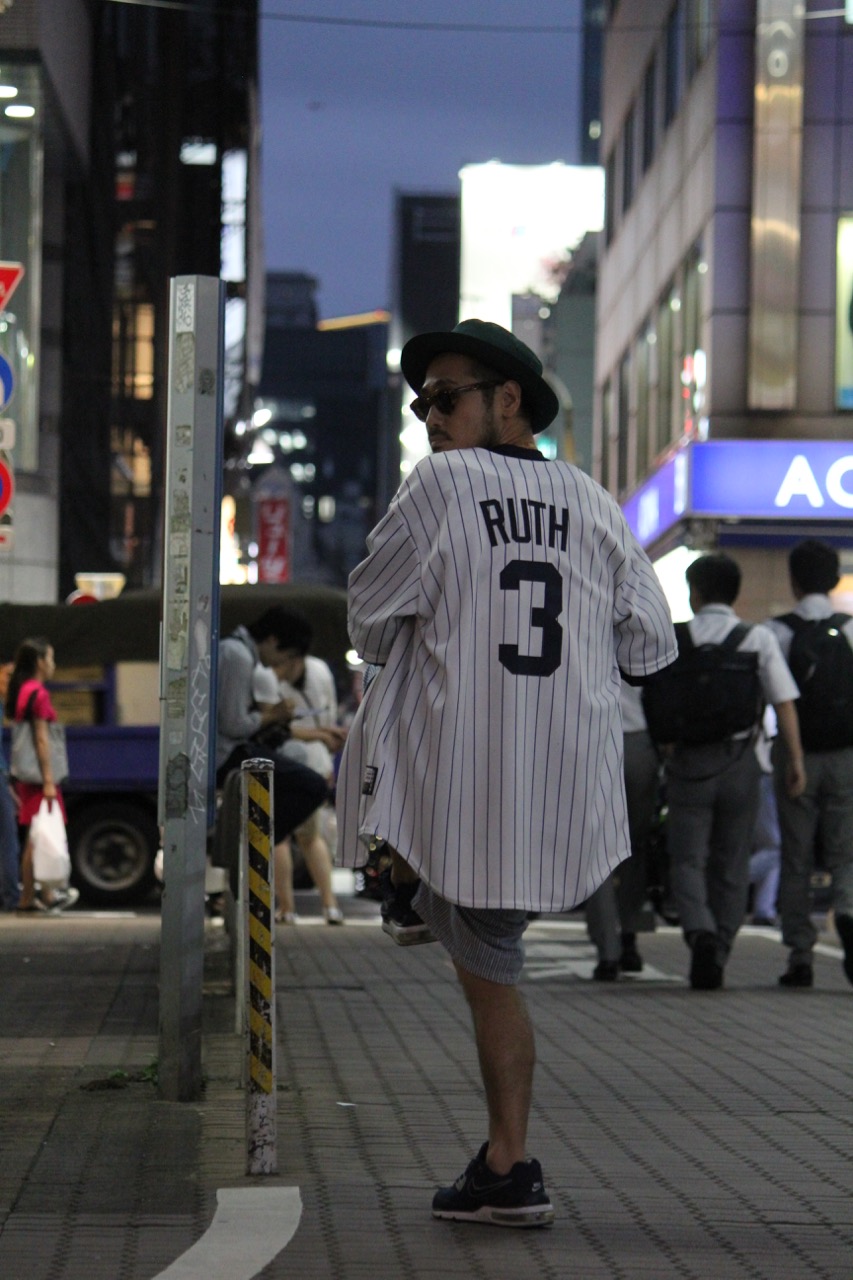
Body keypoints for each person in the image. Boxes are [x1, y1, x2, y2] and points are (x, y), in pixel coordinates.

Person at [336, 318, 676, 1227]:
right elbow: (651, 645)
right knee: (489, 959)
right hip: (567, 787)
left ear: (508, 399)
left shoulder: (441, 485)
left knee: (491, 974)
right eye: (422, 405)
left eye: (446, 398)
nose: (430, 420)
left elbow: (365, 620)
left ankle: (509, 1163)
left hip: (467, 786)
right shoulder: (598, 503)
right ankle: (412, 886)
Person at [660, 554, 805, 991]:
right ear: (736, 592)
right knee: (732, 862)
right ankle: (719, 948)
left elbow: (655, 701)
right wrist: (795, 760)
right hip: (743, 762)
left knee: (687, 858)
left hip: (687, 765)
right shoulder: (756, 638)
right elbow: (783, 701)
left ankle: (699, 930)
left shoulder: (675, 638)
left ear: (695, 592)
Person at [765, 539, 853, 988]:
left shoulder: (776, 632)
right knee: (846, 853)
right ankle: (850, 914)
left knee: (796, 856)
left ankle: (800, 955)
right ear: (835, 580)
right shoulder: (851, 629)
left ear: (794, 581)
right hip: (845, 756)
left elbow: (774, 701)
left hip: (794, 756)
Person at [216, 607, 331, 913]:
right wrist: (272, 714)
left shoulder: (236, 653)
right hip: (228, 753)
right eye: (286, 654)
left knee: (306, 784)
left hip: (229, 751)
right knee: (312, 785)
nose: (281, 663)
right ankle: (260, 838)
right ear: (271, 639)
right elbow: (233, 724)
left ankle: (261, 837)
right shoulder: (238, 657)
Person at [251, 607, 347, 925]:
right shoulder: (321, 669)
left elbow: (278, 727)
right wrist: (324, 738)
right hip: (319, 763)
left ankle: (287, 908)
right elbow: (329, 716)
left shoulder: (269, 676)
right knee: (312, 836)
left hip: (288, 763)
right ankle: (330, 905)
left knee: (279, 836)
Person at [584, 682, 660, 979]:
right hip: (640, 741)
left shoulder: (579, 634)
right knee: (634, 848)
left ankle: (608, 950)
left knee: (595, 851)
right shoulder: (640, 633)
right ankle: (629, 934)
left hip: (593, 737)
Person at [6, 638, 79, 914]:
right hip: (39, 777)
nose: (53, 665)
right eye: (50, 658)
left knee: (37, 834)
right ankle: (33, 898)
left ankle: (40, 896)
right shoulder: (38, 693)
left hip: (29, 776)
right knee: (38, 835)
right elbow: (41, 739)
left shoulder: (23, 690)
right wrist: (49, 780)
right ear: (39, 662)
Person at [748, 707, 781, 927]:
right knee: (773, 848)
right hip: (763, 777)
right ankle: (726, 883)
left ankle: (764, 908)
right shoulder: (769, 711)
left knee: (770, 847)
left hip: (755, 776)